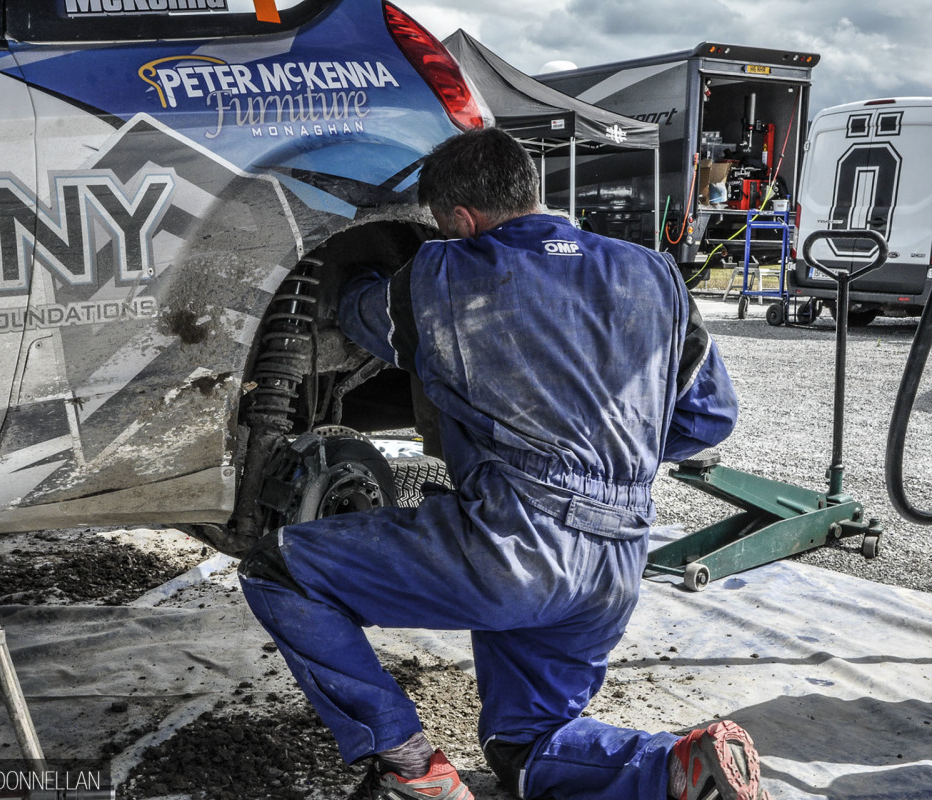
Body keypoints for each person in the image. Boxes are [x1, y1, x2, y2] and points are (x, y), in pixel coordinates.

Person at [238, 127, 757, 800]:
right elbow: (709, 418)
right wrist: (603, 451)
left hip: (513, 546)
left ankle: (408, 765)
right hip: (616, 564)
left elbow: (362, 311)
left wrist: (356, 273)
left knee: (279, 569)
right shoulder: (657, 275)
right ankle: (677, 765)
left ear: (460, 220)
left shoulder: (446, 271)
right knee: (527, 745)